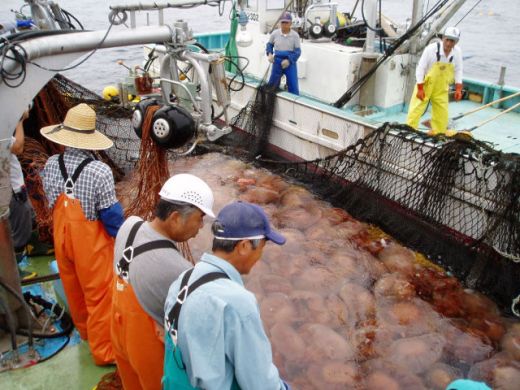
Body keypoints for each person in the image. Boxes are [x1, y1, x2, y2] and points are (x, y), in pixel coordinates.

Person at [163, 201, 290, 390]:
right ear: (245, 246)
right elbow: (259, 382)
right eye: (262, 247)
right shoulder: (238, 302)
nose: (260, 255)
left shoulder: (184, 280)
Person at [111, 173, 215, 390]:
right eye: (199, 219)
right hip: (145, 346)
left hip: (117, 328)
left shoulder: (130, 225)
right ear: (176, 218)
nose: (200, 228)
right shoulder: (178, 270)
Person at [41, 103, 124, 365]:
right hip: (90, 243)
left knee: (73, 287)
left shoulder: (52, 164)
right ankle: (104, 352)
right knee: (99, 295)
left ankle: (87, 335)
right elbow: (111, 218)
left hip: (62, 237)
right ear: (91, 139)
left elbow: (50, 202)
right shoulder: (100, 171)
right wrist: (125, 239)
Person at [406, 26, 463, 135]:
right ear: (443, 39)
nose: (449, 44)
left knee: (442, 113)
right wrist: (420, 88)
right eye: (447, 40)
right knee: (416, 109)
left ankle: (438, 134)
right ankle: (409, 131)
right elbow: (420, 68)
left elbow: (458, 70)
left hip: (441, 87)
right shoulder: (431, 49)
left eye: (452, 41)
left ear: (456, 42)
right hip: (426, 85)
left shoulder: (457, 52)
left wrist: (458, 89)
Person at [9, 109, 36, 280]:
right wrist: (19, 120)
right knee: (18, 234)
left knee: (30, 215)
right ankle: (14, 271)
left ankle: (35, 246)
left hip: (16, 184)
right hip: (10, 188)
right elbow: (18, 146)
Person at [266, 12, 301, 95]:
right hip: (277, 61)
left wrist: (289, 60)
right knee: (272, 84)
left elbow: (298, 52)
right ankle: (271, 99)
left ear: (290, 23)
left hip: (289, 62)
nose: (284, 25)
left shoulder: (295, 36)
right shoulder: (275, 33)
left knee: (293, 84)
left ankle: (293, 100)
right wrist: (270, 54)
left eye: (286, 22)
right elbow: (269, 44)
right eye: (283, 22)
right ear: (280, 23)